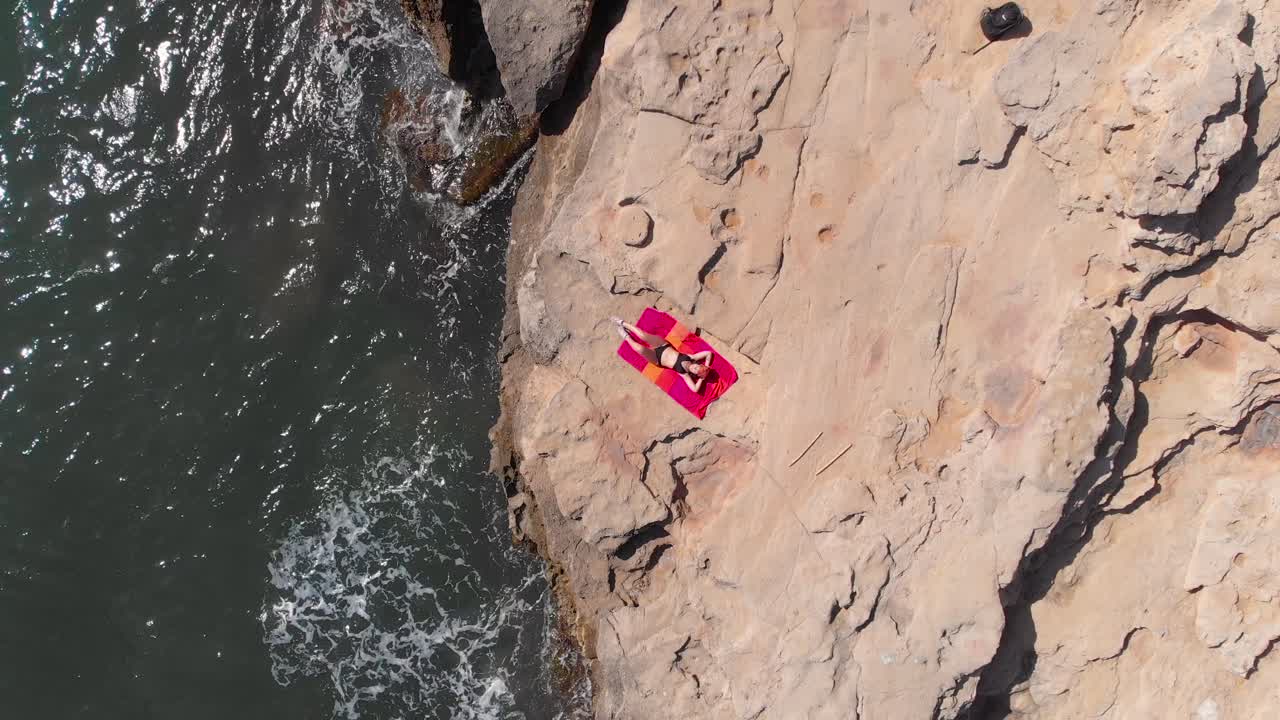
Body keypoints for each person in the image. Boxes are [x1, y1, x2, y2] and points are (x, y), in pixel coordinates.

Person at [612, 317, 713, 392]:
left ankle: (626, 336)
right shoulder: (692, 357)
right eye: (698, 366)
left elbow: (694, 389)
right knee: (643, 335)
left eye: (696, 370)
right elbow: (709, 353)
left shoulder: (684, 374)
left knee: (640, 349)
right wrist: (707, 366)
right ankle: (623, 323)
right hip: (663, 345)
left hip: (658, 359)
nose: (695, 367)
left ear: (695, 374)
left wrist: (702, 378)